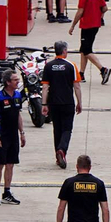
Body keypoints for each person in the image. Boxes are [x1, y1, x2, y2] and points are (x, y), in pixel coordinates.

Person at [40, 41, 81, 169]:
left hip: (53, 103)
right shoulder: (71, 66)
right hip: (67, 102)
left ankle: (57, 155)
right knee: (67, 129)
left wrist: (44, 104)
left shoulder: (48, 66)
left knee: (57, 129)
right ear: (64, 51)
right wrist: (79, 102)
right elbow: (77, 86)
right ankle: (62, 150)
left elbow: (45, 87)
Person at [0, 70, 26, 206]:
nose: (18, 82)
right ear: (8, 82)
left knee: (10, 164)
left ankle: (7, 192)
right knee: (0, 164)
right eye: (15, 80)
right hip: (2, 135)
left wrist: (22, 133)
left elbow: (18, 115)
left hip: (13, 135)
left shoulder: (17, 95)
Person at [69, 0, 111, 86]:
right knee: (84, 49)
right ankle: (81, 74)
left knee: (86, 50)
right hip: (95, 25)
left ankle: (103, 70)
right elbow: (105, 8)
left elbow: (80, 12)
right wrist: (99, 17)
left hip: (86, 25)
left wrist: (73, 25)